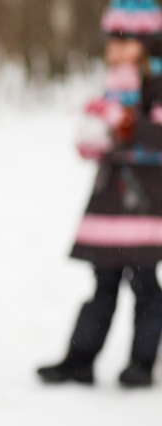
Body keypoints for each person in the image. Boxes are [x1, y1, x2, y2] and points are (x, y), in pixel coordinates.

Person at [38, 0, 162, 388]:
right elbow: (111, 139)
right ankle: (80, 360)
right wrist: (94, 137)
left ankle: (141, 363)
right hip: (111, 200)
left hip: (146, 201)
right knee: (103, 284)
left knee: (145, 285)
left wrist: (124, 123)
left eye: (124, 40)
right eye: (112, 40)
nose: (114, 49)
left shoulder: (157, 84)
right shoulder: (115, 85)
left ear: (147, 42)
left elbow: (156, 137)